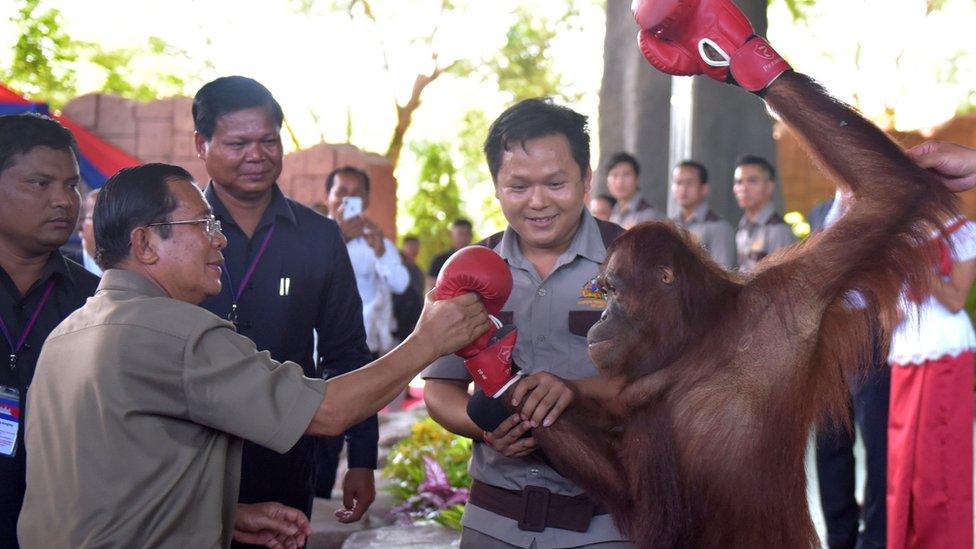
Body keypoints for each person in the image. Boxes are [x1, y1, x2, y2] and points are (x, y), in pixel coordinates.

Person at [19, 163, 488, 548]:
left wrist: (222, 514)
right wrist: (427, 341)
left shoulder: (65, 335)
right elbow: (327, 411)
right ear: (144, 242)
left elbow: (108, 479)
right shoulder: (178, 332)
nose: (218, 238)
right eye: (202, 224)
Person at [423, 98, 631, 548]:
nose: (538, 202)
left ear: (586, 178)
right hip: (492, 521)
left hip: (607, 523)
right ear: (497, 186)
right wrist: (482, 428)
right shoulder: (466, 272)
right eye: (518, 186)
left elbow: (675, 385)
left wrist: (579, 392)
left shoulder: (636, 264)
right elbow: (440, 388)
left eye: (556, 183)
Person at [191, 76, 378, 533]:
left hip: (287, 455)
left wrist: (362, 458)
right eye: (238, 143)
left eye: (268, 141)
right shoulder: (177, 232)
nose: (256, 156)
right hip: (191, 457)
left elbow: (347, 353)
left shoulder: (319, 237)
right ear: (202, 144)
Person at [0, 114, 100, 549]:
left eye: (72, 185)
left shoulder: (97, 302)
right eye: (40, 184)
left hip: (62, 526)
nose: (64, 201)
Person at [886, 211, 976, 549]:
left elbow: (955, 300)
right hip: (906, 349)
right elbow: (888, 315)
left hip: (944, 353)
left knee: (938, 461)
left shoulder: (963, 231)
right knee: (902, 461)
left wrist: (922, 272)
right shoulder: (897, 236)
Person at [809, 191, 889, 549]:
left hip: (873, 335)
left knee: (878, 446)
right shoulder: (820, 211)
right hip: (830, 337)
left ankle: (874, 539)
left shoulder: (881, 205)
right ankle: (840, 537)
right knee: (830, 446)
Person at [732, 154, 796, 271]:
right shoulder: (743, 228)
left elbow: (782, 282)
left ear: (769, 187)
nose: (743, 188)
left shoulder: (778, 230)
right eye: (739, 182)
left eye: (752, 181)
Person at [669, 160, 736, 269]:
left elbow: (723, 274)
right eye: (678, 183)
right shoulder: (672, 225)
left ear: (704, 189)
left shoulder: (718, 227)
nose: (683, 189)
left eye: (689, 183)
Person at [606, 151, 660, 229]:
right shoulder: (614, 212)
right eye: (614, 175)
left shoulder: (648, 215)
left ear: (637, 179)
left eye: (626, 174)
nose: (620, 181)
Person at [427, 218, 474, 290]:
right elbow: (429, 289)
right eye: (460, 234)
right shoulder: (439, 260)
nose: (463, 238)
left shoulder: (476, 260)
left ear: (471, 236)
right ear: (451, 235)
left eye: (467, 234)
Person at [393, 235, 425, 342]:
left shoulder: (418, 270)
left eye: (416, 246)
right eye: (410, 245)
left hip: (414, 317)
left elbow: (419, 294)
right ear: (404, 247)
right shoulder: (397, 268)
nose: (413, 248)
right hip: (398, 317)